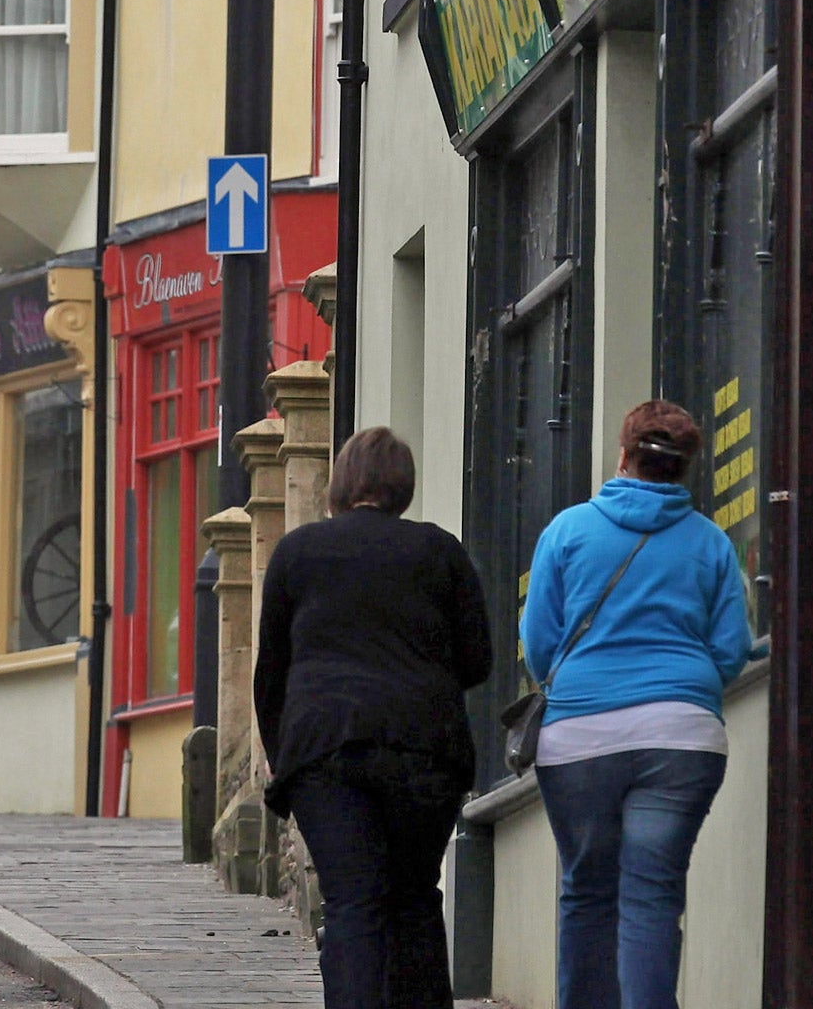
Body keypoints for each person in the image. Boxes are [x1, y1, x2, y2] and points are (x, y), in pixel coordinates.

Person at [522, 400, 753, 1009]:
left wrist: (580, 685)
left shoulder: (567, 532)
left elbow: (539, 645)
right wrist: (686, 683)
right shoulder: (709, 544)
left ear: (623, 456)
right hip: (682, 737)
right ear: (686, 470)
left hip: (578, 738)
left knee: (587, 889)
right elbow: (731, 649)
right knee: (652, 893)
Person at [254, 427, 492, 1009]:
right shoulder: (440, 551)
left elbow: (271, 675)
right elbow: (478, 659)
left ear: (340, 484)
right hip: (424, 749)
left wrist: (286, 759)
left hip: (324, 750)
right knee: (413, 898)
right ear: (403, 487)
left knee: (354, 901)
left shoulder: (297, 554)